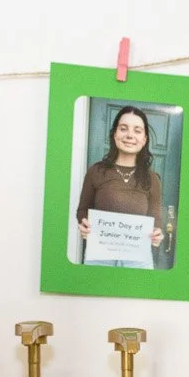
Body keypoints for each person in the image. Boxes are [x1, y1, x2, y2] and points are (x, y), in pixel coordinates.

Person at [75, 105, 165, 268]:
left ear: (144, 139)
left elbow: (156, 221)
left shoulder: (152, 179)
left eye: (137, 131)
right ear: (114, 134)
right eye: (123, 129)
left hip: (138, 261)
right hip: (100, 258)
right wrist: (84, 224)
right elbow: (83, 210)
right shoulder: (96, 171)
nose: (130, 135)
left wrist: (157, 234)